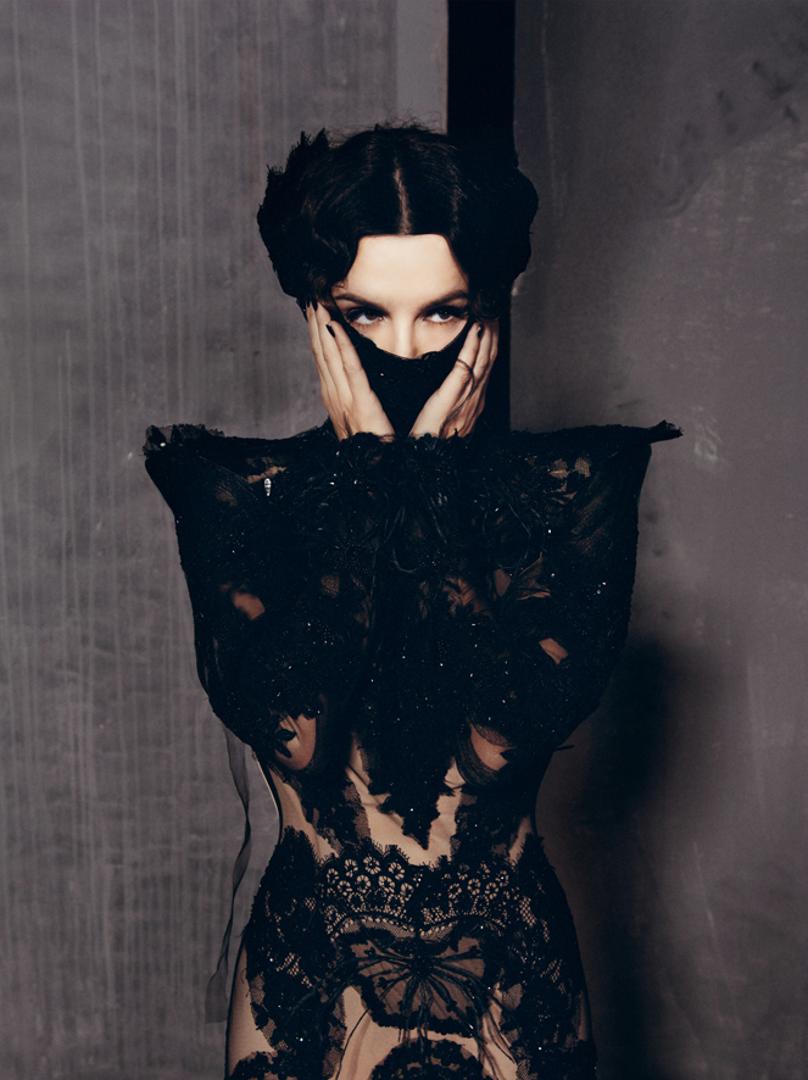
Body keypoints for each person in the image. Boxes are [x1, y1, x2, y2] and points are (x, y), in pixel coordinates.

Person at [143, 122, 682, 1080]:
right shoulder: (240, 489)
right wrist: (366, 487)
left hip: (506, 973)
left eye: (442, 313)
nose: (402, 347)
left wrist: (427, 491)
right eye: (364, 313)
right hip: (310, 975)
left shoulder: (572, 489)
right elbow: (296, 738)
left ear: (489, 311)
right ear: (316, 311)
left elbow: (504, 741)